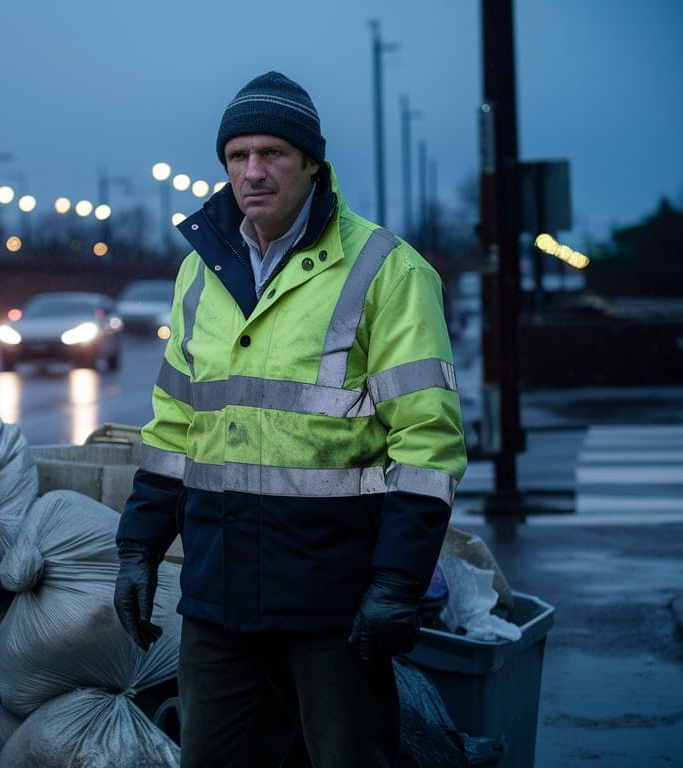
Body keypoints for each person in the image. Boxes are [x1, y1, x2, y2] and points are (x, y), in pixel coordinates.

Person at [113, 71, 467, 767]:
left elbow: (427, 442)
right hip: (218, 597)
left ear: (312, 162)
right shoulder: (200, 274)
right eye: (238, 156)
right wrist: (138, 546)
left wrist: (397, 582)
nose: (253, 172)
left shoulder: (386, 271)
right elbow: (174, 429)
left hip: (332, 601)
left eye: (272, 153)